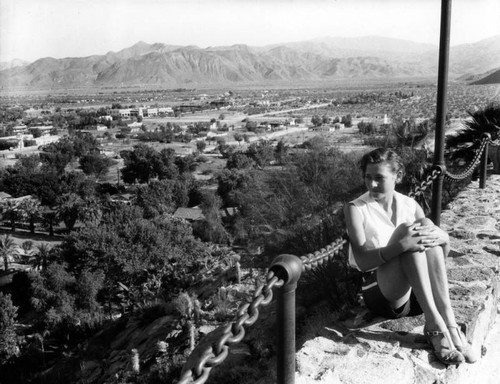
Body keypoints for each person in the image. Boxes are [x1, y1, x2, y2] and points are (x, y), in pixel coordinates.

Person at [344, 148, 476, 365]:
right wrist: (401, 245)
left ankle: (448, 323)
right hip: (381, 293)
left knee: (425, 227)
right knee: (408, 231)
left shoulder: (409, 204)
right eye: (368, 177)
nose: (372, 184)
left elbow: (436, 256)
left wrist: (445, 239)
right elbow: (361, 261)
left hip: (418, 296)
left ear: (398, 176)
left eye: (379, 178)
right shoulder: (356, 208)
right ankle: (435, 326)